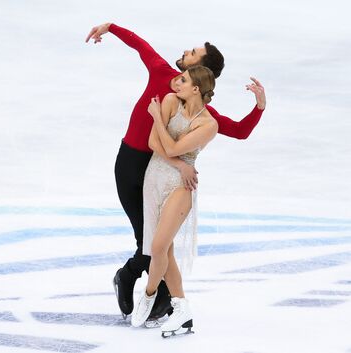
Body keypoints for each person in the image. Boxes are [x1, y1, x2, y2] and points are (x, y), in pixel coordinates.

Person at [85, 22, 266, 322]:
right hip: (131, 165)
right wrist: (110, 27)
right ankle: (133, 281)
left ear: (201, 71)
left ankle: (154, 293)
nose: (186, 51)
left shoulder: (200, 111)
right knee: (149, 241)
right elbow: (141, 45)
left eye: (194, 52)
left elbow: (237, 130)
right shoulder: (162, 74)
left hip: (158, 172)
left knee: (157, 242)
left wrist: (259, 108)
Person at [130, 66, 217, 337]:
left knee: (157, 247)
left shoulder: (208, 125)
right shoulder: (170, 101)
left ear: (196, 89)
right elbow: (154, 144)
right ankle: (182, 310)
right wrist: (180, 164)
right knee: (164, 251)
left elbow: (170, 147)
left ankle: (148, 293)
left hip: (181, 186)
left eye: (184, 80)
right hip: (154, 178)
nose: (176, 82)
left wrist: (157, 118)